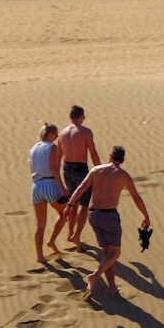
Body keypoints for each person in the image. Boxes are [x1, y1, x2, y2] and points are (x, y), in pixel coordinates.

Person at [65, 145, 150, 303]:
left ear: (110, 157)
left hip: (92, 215)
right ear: (122, 160)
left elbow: (81, 188)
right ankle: (95, 276)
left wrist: (70, 205)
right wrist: (145, 215)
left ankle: (112, 286)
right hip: (109, 216)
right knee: (115, 254)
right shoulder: (123, 175)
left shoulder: (96, 170)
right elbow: (136, 198)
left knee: (108, 255)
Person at [57, 104, 100, 250]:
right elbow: (93, 152)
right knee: (85, 204)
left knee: (73, 202)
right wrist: (99, 169)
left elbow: (58, 157)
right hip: (80, 168)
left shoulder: (62, 133)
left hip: (66, 168)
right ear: (81, 117)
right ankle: (77, 234)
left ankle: (70, 232)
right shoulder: (85, 132)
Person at [28, 123, 69, 264]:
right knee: (64, 214)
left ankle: (39, 256)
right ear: (50, 134)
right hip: (50, 183)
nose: (57, 137)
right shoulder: (52, 147)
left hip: (36, 186)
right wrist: (63, 188)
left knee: (40, 225)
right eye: (56, 134)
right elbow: (54, 169)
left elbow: (31, 169)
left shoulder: (33, 149)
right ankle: (51, 241)